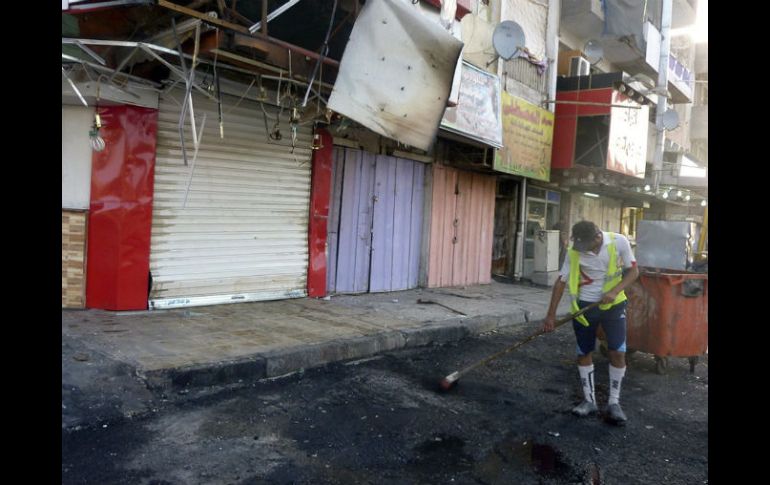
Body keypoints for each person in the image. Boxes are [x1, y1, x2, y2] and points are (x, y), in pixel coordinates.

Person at [542, 220, 639, 425]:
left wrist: (614, 291)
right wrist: (550, 315)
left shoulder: (618, 242)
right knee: (584, 352)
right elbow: (561, 283)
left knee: (618, 351)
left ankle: (614, 402)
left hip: (613, 305)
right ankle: (589, 400)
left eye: (586, 246)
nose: (582, 250)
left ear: (597, 237)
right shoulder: (574, 249)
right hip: (584, 307)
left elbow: (634, 272)